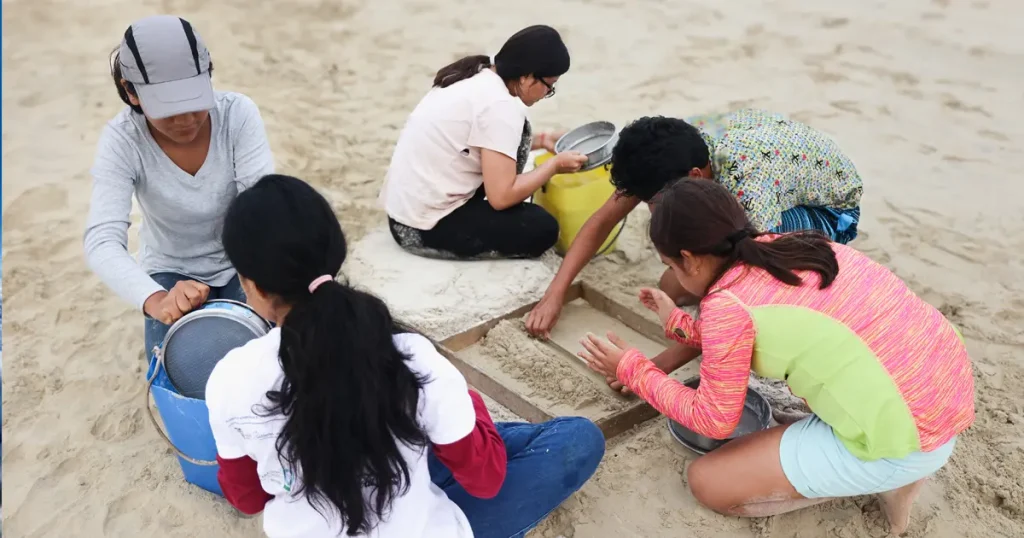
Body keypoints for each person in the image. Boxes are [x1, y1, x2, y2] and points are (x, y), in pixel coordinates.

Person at [206, 174, 604, 538]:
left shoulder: (230, 379)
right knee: (576, 437)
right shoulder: (408, 356)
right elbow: (485, 479)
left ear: (250, 284)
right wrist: (461, 397)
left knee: (422, 437)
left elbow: (247, 499)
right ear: (335, 251)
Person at [577, 179, 973, 535]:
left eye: (671, 267)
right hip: (939, 395)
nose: (674, 277)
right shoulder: (794, 247)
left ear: (690, 258)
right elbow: (753, 329)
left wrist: (632, 369)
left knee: (707, 481)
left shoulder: (726, 307)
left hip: (903, 441)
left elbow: (713, 420)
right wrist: (678, 322)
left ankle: (885, 479)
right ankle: (886, 474)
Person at [526, 110, 864, 344]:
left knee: (691, 280)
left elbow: (754, 267)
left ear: (695, 177)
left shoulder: (747, 188)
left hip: (828, 210)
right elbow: (601, 221)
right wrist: (555, 294)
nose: (650, 209)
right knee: (674, 282)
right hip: (778, 167)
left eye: (653, 203)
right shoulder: (666, 154)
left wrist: (657, 366)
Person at [83, 15, 274, 357]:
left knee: (263, 352)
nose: (185, 120)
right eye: (168, 109)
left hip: (242, 257)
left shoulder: (238, 115)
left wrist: (253, 277)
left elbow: (262, 210)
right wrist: (157, 299)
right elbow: (102, 241)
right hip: (169, 268)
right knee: (180, 362)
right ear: (131, 92)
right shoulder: (122, 141)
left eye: (194, 101)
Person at [379, 25, 588, 260]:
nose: (548, 92)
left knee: (520, 140)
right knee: (542, 228)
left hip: (402, 212)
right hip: (422, 227)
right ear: (528, 77)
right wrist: (554, 166)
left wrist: (541, 140)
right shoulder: (500, 107)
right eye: (549, 86)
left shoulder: (476, 72)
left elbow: (477, 140)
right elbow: (501, 198)